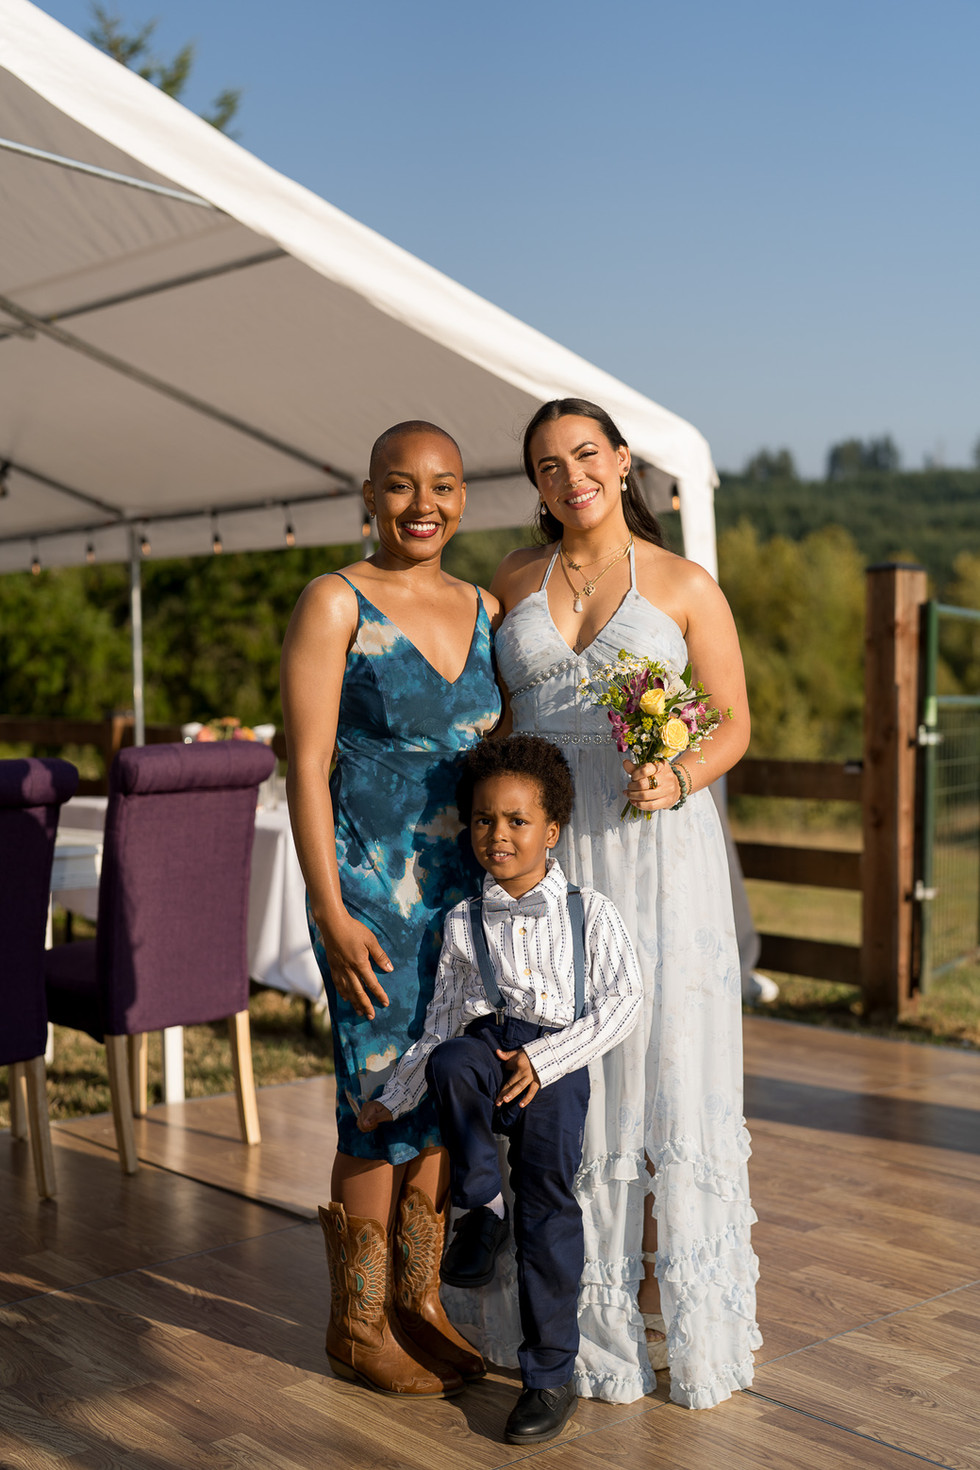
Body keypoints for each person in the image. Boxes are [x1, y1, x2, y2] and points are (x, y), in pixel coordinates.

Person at [468, 397, 762, 1410]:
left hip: (654, 855)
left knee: (656, 1071)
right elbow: (488, 713)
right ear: (536, 483)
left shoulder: (682, 583)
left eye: (584, 456)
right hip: (546, 861)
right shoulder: (511, 579)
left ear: (620, 460)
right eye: (546, 465)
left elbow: (729, 722)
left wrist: (676, 779)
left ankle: (669, 1312)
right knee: (554, 1085)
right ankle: (569, 1333)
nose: (568, 477)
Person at [280, 420, 501, 1398]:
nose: (424, 506)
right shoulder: (333, 603)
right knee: (377, 1109)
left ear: (463, 495)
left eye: (444, 486)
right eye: (402, 486)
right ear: (366, 492)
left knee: (446, 1100)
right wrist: (327, 909)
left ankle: (420, 1303)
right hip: (372, 902)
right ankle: (356, 1327)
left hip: (469, 913)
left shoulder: (487, 607)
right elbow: (307, 766)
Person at [357, 735, 642, 1444]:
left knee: (548, 1209)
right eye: (485, 820)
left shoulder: (590, 912)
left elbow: (626, 1000)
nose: (498, 835)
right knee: (455, 1059)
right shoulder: (463, 922)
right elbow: (438, 1028)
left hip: (555, 1064)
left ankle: (549, 1378)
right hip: (487, 1053)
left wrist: (545, 1062)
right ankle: (480, 1202)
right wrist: (391, 1099)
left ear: (551, 831)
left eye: (517, 821)